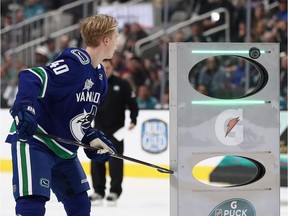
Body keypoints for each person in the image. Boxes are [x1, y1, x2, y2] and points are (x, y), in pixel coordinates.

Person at [5, 14, 119, 216]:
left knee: (80, 205)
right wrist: (25, 106)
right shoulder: (75, 62)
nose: (118, 43)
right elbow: (31, 76)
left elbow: (78, 120)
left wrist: (92, 139)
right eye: (116, 37)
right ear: (106, 40)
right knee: (32, 204)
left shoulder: (101, 78)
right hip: (36, 140)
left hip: (64, 149)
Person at [89, 59, 138, 206]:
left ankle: (115, 191)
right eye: (103, 68)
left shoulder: (122, 85)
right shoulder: (94, 84)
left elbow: (133, 104)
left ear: (112, 68)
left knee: (115, 161)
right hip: (98, 130)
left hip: (117, 131)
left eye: (108, 68)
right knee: (96, 161)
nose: (106, 71)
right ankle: (98, 191)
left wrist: (133, 120)